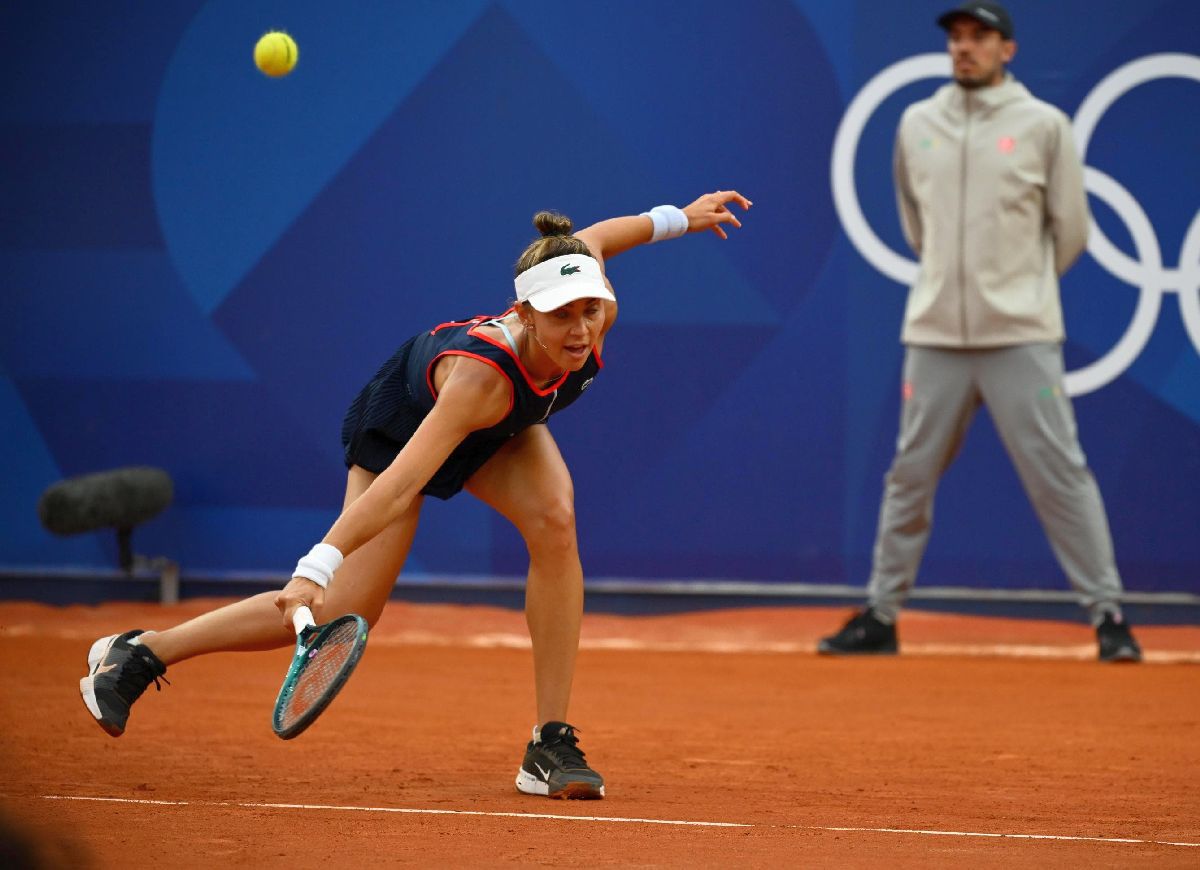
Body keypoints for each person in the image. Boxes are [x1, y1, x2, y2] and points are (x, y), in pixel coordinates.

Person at [79, 189, 753, 798]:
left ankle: (549, 743)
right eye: (561, 317)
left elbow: (604, 235)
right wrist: (317, 567)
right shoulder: (479, 378)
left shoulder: (590, 303)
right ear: (524, 312)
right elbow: (401, 486)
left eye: (590, 311)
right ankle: (140, 651)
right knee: (348, 605)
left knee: (556, 519)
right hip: (409, 425)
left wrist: (679, 219)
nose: (580, 330)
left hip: (504, 427)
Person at [819, 1, 1142, 662]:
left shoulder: (1044, 126)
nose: (965, 48)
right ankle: (881, 614)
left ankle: (1108, 615)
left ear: (1008, 49)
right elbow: (915, 225)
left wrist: (1017, 289)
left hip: (1020, 334)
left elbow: (1071, 230)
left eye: (980, 38)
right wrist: (950, 280)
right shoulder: (917, 123)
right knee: (909, 474)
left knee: (1061, 475)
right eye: (957, 38)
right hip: (935, 333)